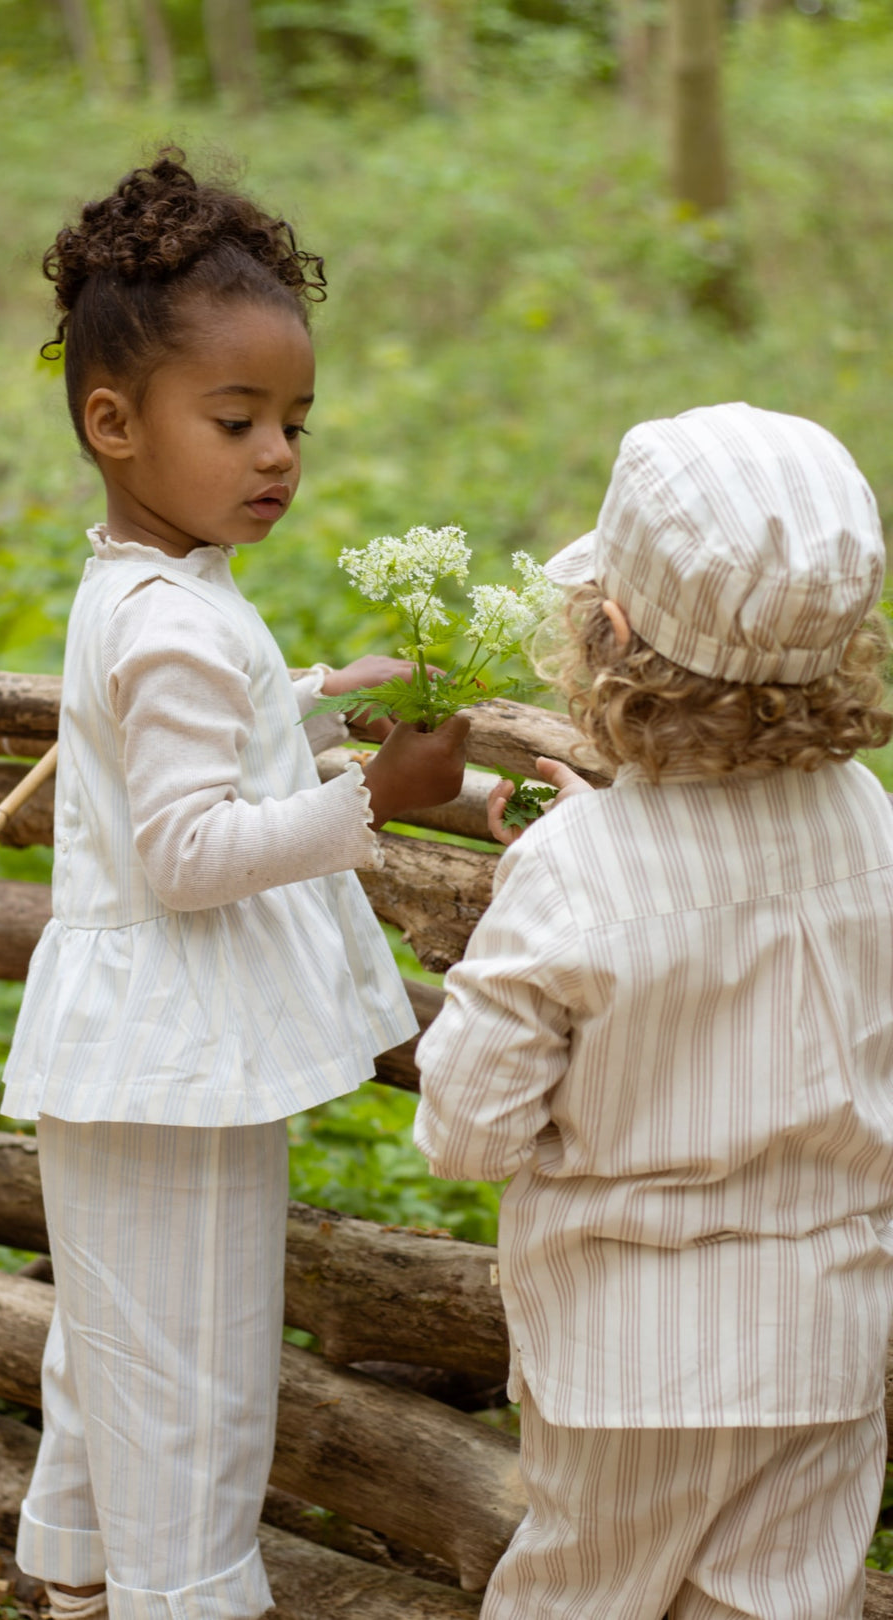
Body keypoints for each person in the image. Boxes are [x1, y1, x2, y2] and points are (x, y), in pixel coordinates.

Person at [0, 148, 469, 1620]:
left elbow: (203, 736)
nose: (279, 454)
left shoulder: (148, 592)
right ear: (114, 422)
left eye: (293, 423)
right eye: (239, 420)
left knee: (121, 1344)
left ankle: (78, 1580)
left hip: (133, 1056)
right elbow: (190, 852)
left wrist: (323, 697)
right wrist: (369, 799)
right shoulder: (174, 626)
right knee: (192, 1375)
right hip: (175, 1066)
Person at [414, 402, 893, 1620]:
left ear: (609, 633)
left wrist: (573, 855)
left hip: (627, 1366)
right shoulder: (874, 827)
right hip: (827, 1345)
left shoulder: (577, 869)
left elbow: (467, 1132)